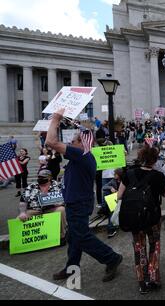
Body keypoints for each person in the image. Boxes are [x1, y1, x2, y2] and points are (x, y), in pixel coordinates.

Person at [45, 108, 123, 283]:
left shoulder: (83, 154)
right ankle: (72, 268)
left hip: (79, 203)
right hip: (75, 202)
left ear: (83, 143)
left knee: (81, 236)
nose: (71, 143)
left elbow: (51, 141)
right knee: (74, 237)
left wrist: (56, 119)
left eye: (74, 140)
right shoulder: (79, 157)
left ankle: (111, 258)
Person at [117, 145, 165, 294]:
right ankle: (153, 278)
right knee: (154, 246)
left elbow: (119, 196)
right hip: (152, 218)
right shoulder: (158, 176)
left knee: (139, 248)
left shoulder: (129, 174)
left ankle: (142, 282)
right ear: (154, 160)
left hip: (134, 218)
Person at [17, 169, 67, 243]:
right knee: (18, 219)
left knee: (61, 210)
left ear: (49, 178)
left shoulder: (58, 185)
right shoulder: (31, 186)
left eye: (42, 177)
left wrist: (60, 203)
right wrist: (22, 212)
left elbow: (66, 198)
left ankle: (61, 237)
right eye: (39, 177)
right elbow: (23, 201)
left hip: (53, 208)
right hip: (34, 210)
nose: (40, 179)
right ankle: (22, 242)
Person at [101, 168, 123, 238]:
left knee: (113, 210)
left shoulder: (124, 181)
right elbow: (104, 187)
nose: (113, 175)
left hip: (123, 199)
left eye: (115, 174)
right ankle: (111, 228)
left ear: (119, 175)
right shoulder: (113, 181)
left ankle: (112, 227)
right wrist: (111, 188)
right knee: (112, 210)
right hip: (116, 200)